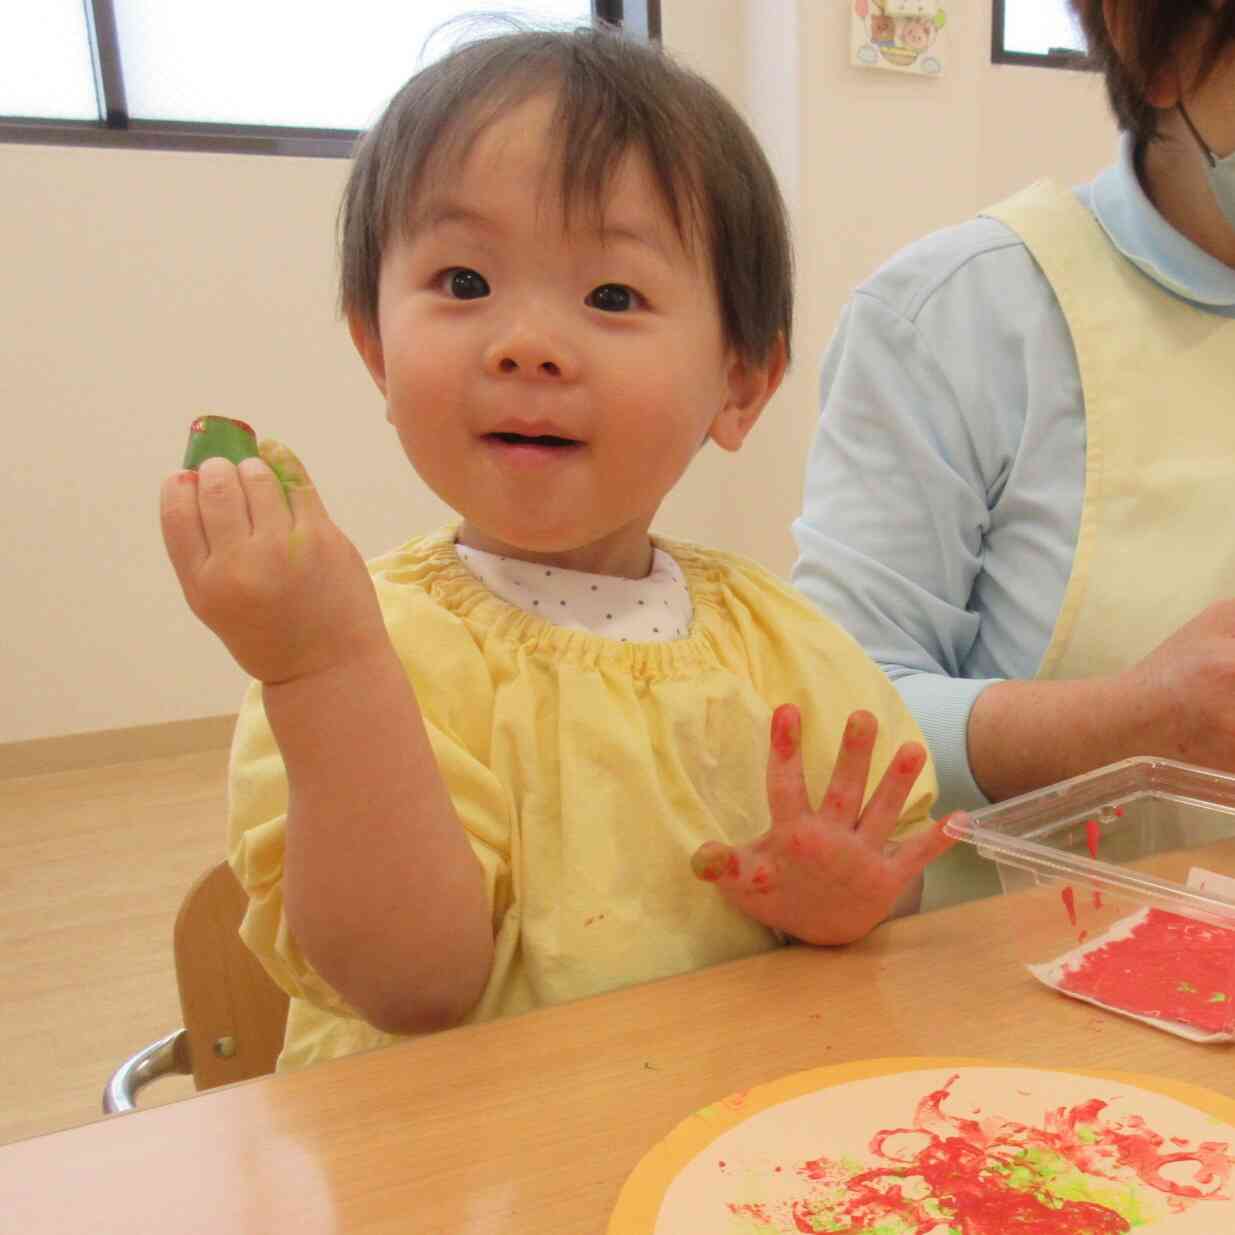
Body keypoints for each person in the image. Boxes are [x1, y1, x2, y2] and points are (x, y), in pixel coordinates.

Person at [159, 26, 954, 1072]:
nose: (525, 344)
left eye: (611, 296)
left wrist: (844, 898)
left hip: (714, 1131)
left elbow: (900, 873)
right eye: (462, 281)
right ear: (376, 348)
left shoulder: (779, 644)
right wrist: (320, 664)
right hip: (454, 1151)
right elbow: (414, 983)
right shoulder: (358, 643)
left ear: (739, 383)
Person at [792, 0, 1235, 909]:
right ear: (1147, 42)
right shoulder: (958, 313)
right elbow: (838, 714)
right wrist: (1127, 725)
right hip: (1027, 964)